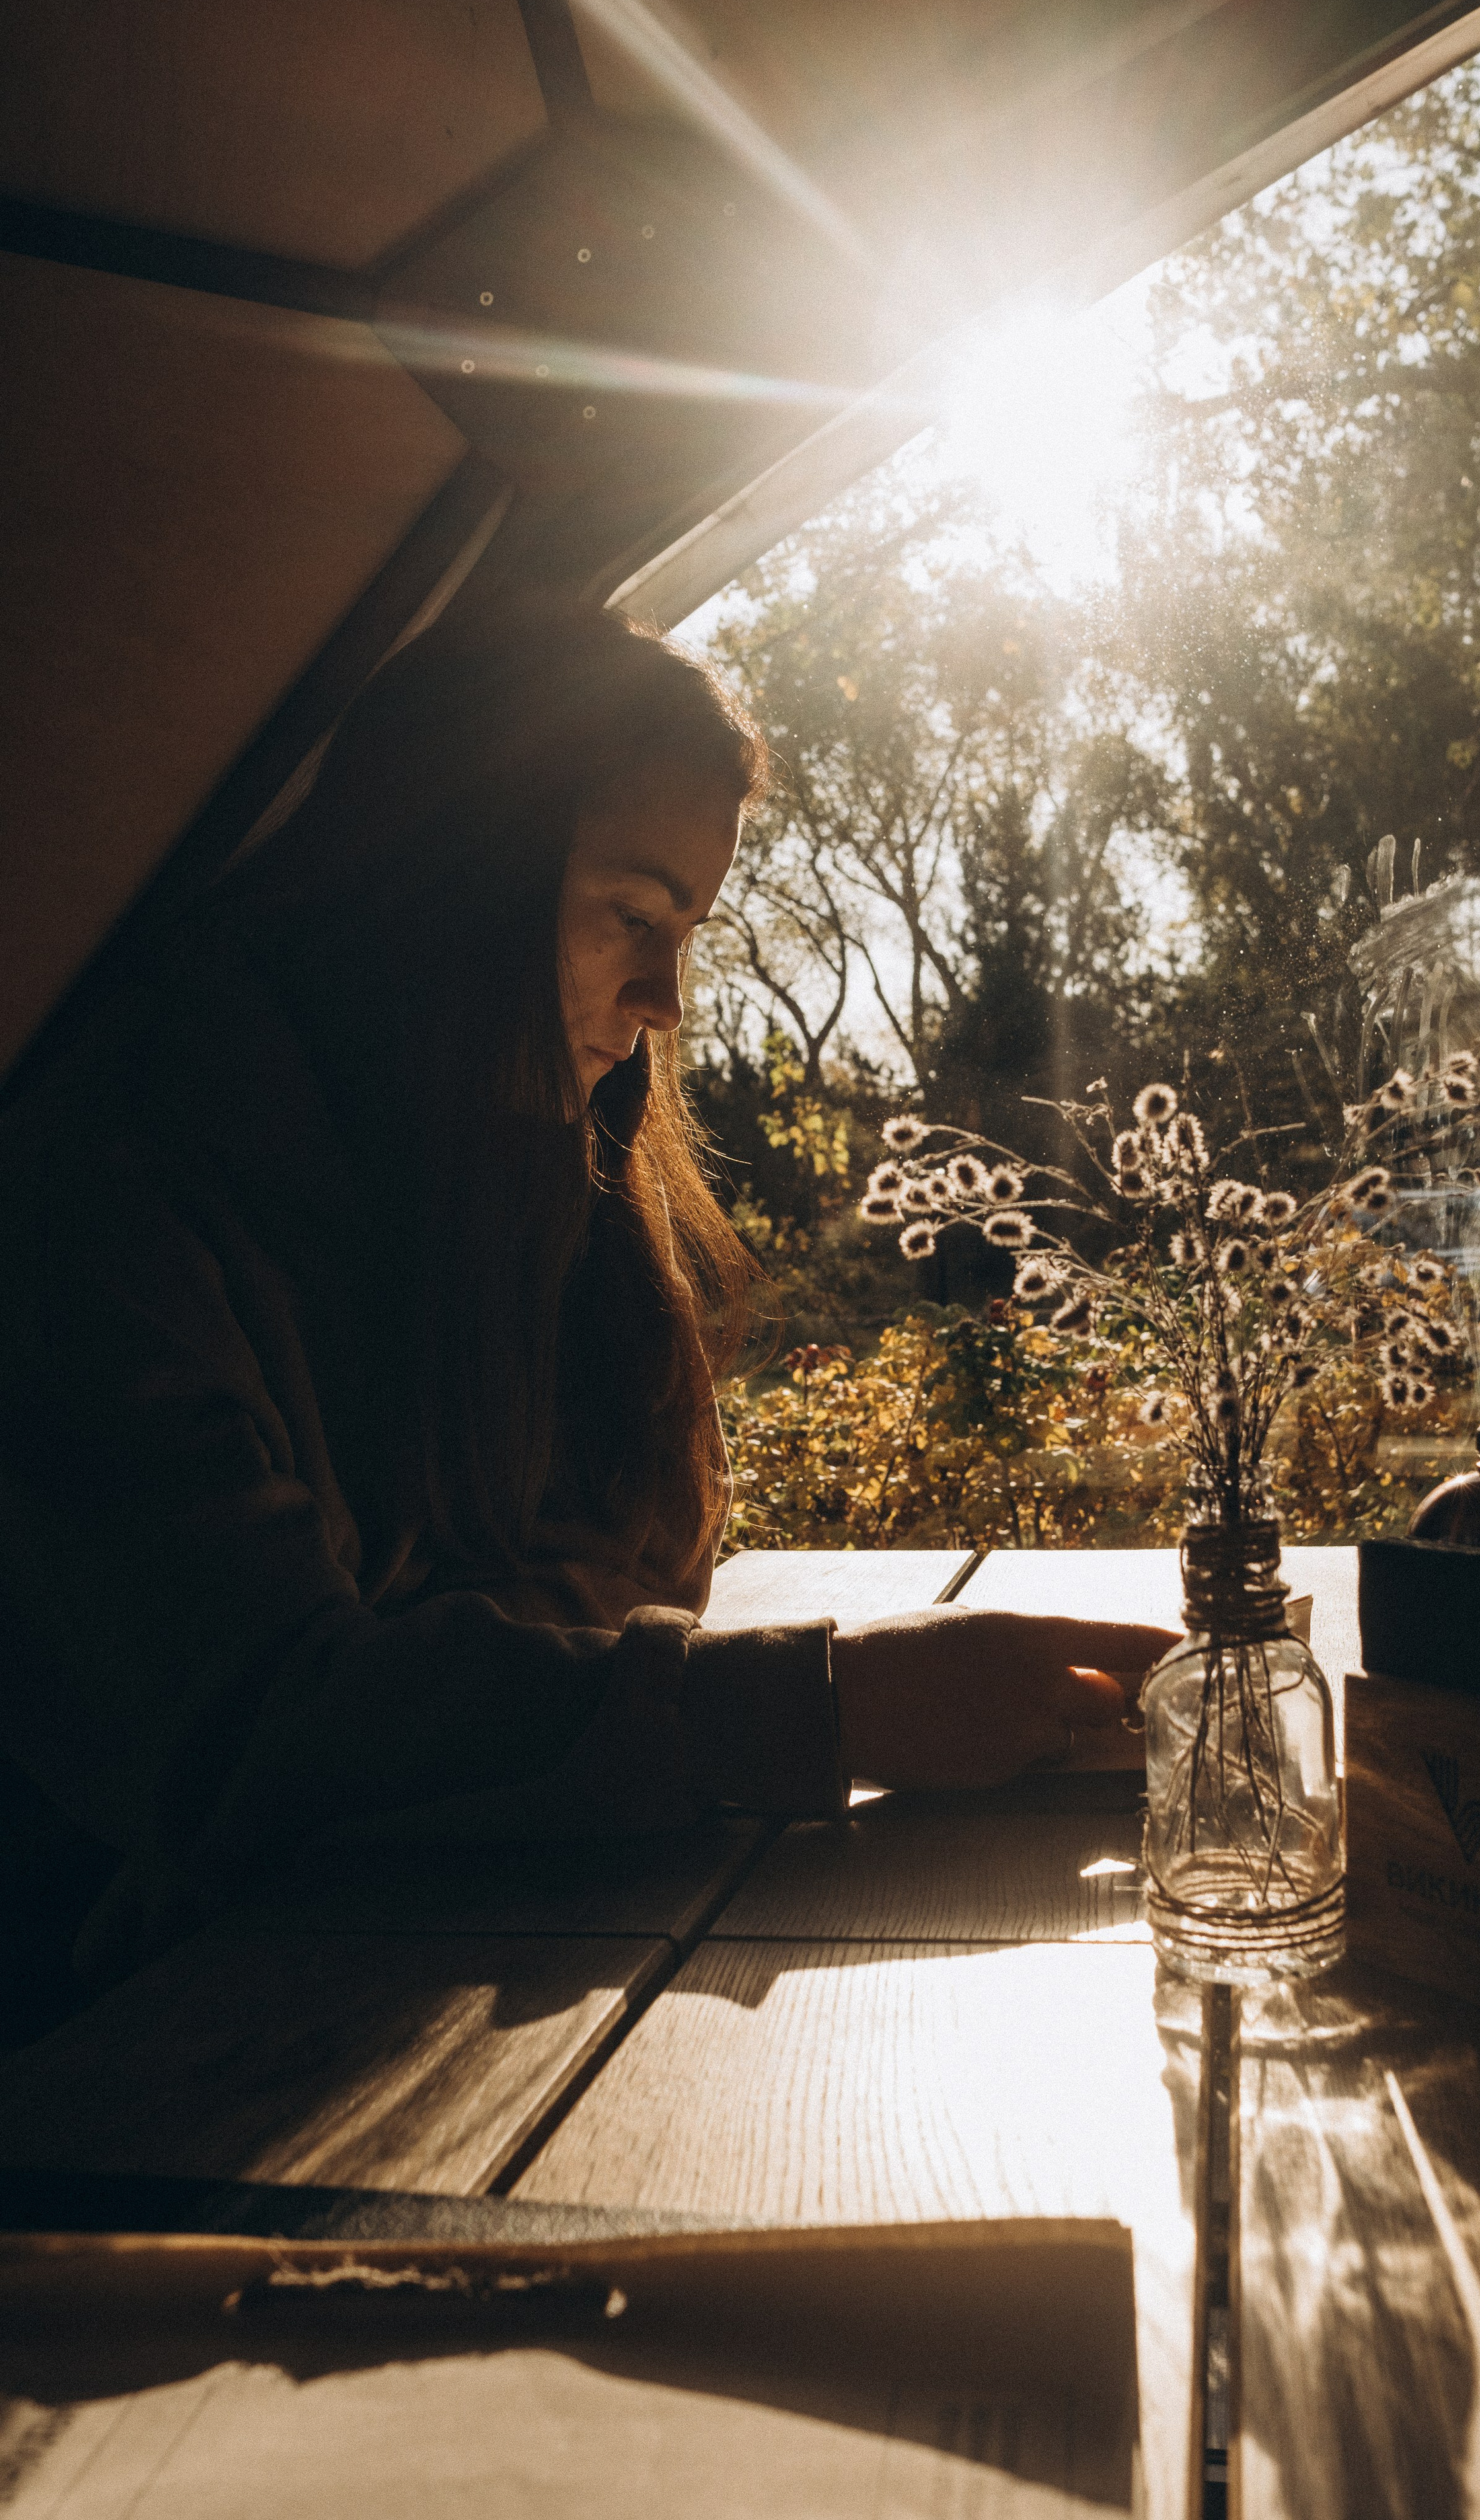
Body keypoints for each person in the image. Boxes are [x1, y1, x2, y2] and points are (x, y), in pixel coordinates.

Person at [0, 600, 1171, 2038]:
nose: (665, 1003)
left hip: (417, 1972)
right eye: (632, 915)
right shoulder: (110, 1202)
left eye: (686, 934)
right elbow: (247, 1721)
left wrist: (442, 1714)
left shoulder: (518, 1173)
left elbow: (632, 1565)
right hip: (120, 2061)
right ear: (450, 875)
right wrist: (828, 1706)